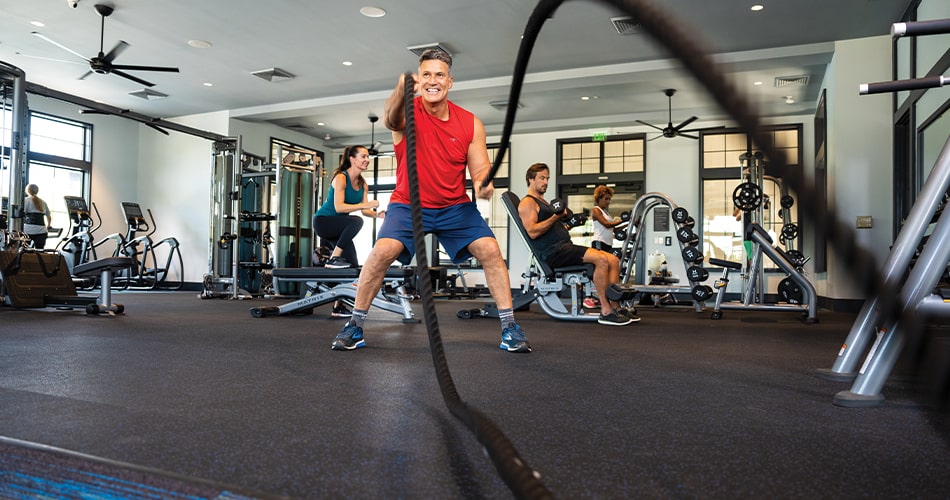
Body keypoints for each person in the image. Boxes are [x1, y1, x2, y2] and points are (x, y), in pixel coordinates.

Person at [331, 48, 531, 353]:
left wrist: (483, 184)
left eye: (439, 75)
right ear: (419, 79)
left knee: (490, 250)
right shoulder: (408, 112)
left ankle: (510, 328)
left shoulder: (470, 123)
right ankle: (355, 325)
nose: (432, 80)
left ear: (450, 81)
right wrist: (400, 91)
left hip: (454, 206)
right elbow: (390, 118)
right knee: (381, 253)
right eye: (426, 74)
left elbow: (479, 168)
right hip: (408, 205)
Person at [518, 163, 639, 326]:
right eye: (541, 178)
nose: (545, 182)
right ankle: (605, 310)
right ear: (530, 179)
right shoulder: (527, 203)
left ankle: (616, 306)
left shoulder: (543, 201)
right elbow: (532, 231)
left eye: (547, 178)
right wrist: (556, 217)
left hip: (565, 247)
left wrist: (566, 220)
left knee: (613, 260)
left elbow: (555, 223)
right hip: (554, 252)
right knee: (602, 260)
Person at [313, 145, 382, 317]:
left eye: (368, 157)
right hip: (324, 222)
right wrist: (365, 205)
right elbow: (339, 207)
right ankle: (334, 258)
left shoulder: (362, 183)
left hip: (340, 226)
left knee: (351, 264)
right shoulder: (341, 178)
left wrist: (376, 215)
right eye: (363, 156)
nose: (367, 160)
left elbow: (365, 212)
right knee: (355, 220)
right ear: (352, 159)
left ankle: (338, 306)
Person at [585, 184, 626, 309]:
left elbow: (614, 228)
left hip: (608, 244)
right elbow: (607, 225)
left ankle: (604, 297)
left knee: (609, 270)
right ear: (599, 198)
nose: (608, 202)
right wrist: (622, 220)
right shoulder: (596, 210)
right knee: (601, 270)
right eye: (606, 199)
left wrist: (629, 223)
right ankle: (592, 297)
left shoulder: (606, 213)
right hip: (599, 243)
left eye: (609, 199)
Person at [23, 184, 52, 249]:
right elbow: (48, 216)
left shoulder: (26, 200)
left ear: (27, 191)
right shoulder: (43, 202)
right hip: (41, 231)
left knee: (24, 251)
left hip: (28, 230)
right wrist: (48, 225)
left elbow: (22, 213)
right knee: (40, 251)